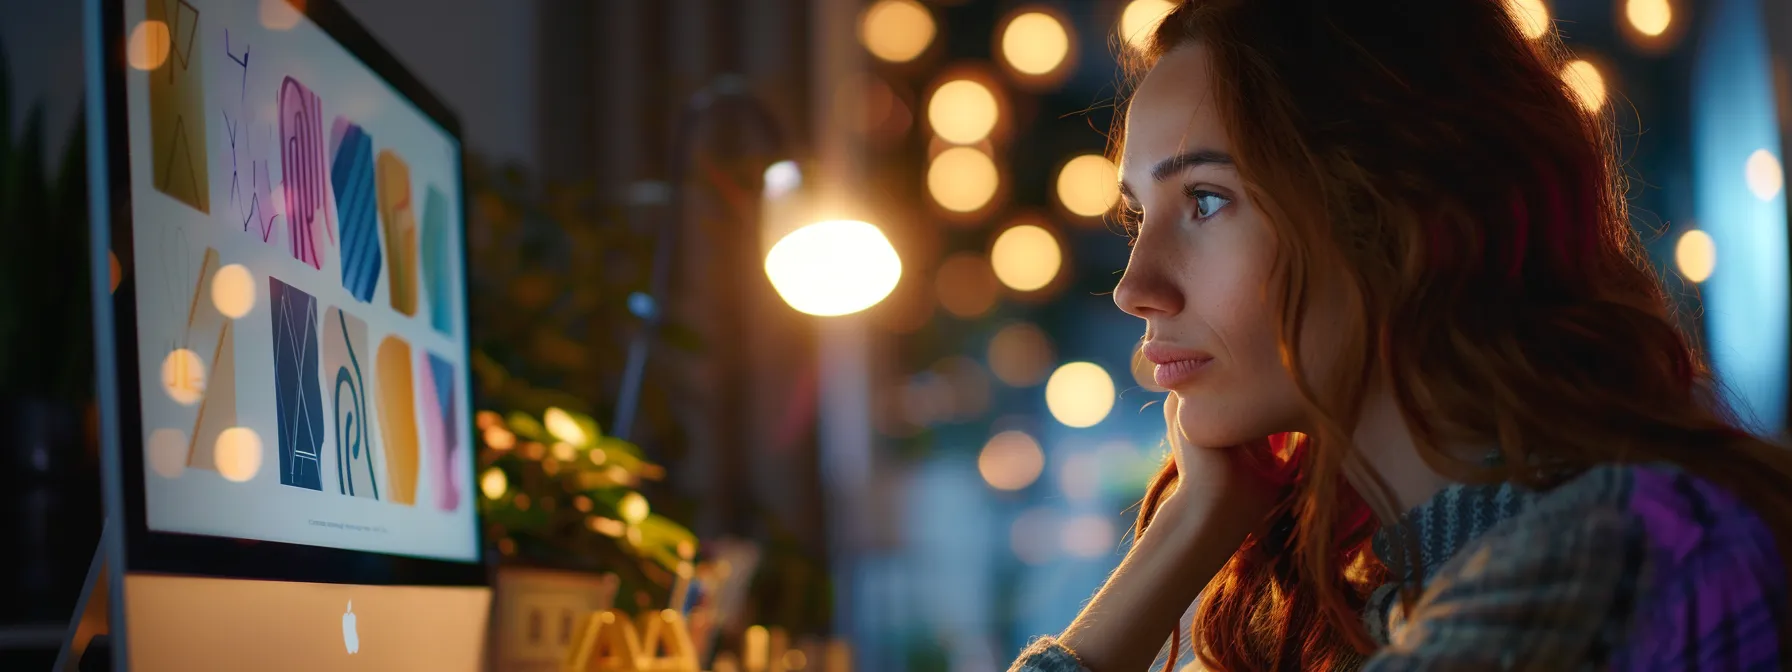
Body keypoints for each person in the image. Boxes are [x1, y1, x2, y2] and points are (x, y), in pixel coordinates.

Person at [1007, 0, 1792, 670]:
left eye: (1206, 201)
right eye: (1139, 215)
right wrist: (1186, 528)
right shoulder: (1407, 596)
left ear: (1396, 208)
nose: (1135, 287)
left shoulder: (1603, 562)